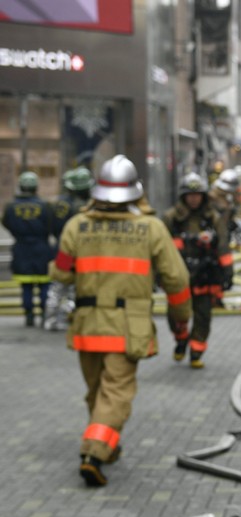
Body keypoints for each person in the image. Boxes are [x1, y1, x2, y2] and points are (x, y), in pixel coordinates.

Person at [49, 154, 191, 487]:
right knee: (116, 393)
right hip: (129, 327)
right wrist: (181, 318)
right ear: (135, 191)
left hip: (87, 325)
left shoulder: (76, 225)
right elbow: (177, 279)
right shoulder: (150, 227)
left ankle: (105, 447)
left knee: (97, 391)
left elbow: (60, 271)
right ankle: (95, 453)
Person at [163, 171, 233, 369]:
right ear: (183, 196)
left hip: (205, 275)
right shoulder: (171, 218)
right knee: (175, 315)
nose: (194, 199)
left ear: (203, 196)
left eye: (197, 195)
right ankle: (181, 339)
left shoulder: (213, 218)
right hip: (179, 276)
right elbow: (161, 249)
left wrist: (227, 272)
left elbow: (222, 245)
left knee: (203, 315)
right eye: (190, 195)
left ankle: (196, 351)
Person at [3, 171, 55, 327]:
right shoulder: (45, 205)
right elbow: (51, 225)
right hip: (42, 248)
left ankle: (29, 315)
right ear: (35, 187)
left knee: (26, 286)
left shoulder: (11, 206)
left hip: (21, 249)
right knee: (44, 284)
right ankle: (45, 313)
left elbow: (6, 223)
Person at [44, 167, 94, 331]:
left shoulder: (57, 203)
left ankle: (50, 319)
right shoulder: (83, 207)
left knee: (58, 285)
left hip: (61, 248)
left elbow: (50, 226)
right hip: (80, 250)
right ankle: (70, 316)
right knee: (75, 286)